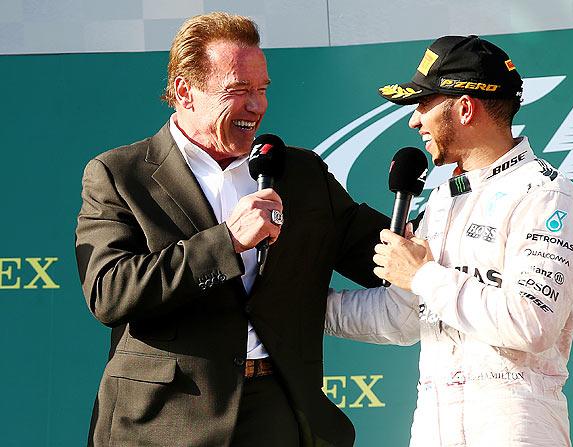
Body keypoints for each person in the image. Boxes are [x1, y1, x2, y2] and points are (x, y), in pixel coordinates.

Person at [75, 12, 388, 447]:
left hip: (277, 411)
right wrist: (227, 241)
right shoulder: (120, 174)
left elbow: (386, 254)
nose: (256, 105)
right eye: (238, 90)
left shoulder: (300, 173)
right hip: (163, 421)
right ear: (186, 91)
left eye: (261, 90)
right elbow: (110, 293)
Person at [325, 35, 573, 446]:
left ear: (465, 108)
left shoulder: (544, 195)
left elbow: (531, 323)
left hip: (514, 426)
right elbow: (402, 317)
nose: (415, 120)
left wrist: (423, 274)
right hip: (434, 428)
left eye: (425, 104)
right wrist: (302, 306)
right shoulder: (442, 201)